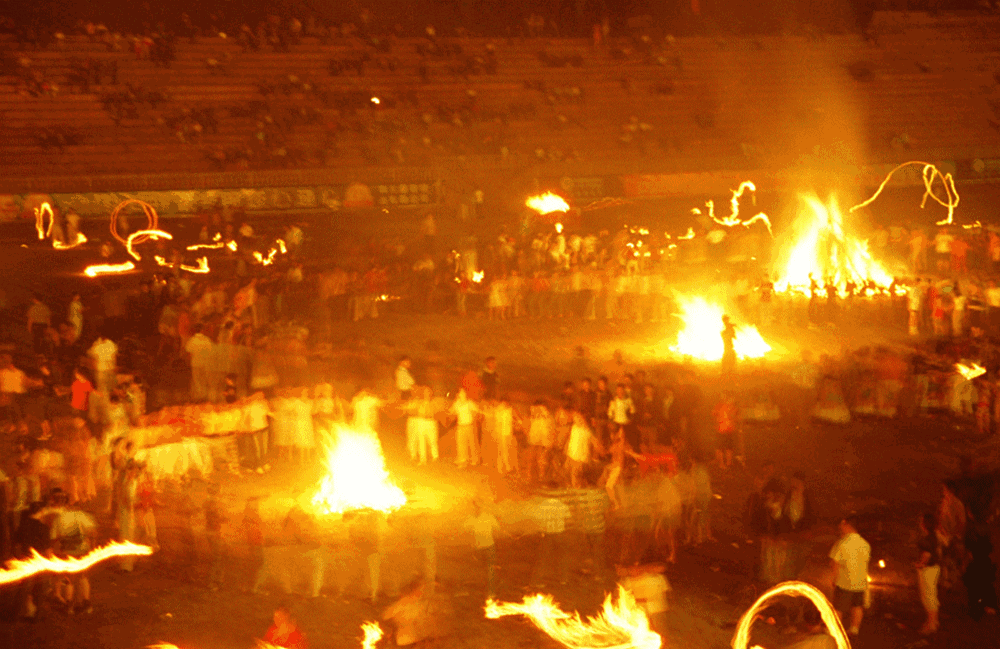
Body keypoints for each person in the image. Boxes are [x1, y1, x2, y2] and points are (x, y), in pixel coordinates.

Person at [49, 489, 97, 614]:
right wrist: (92, 545)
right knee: (82, 576)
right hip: (82, 549)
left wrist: (56, 551)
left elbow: (54, 537)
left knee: (68, 578)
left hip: (68, 550)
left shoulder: (59, 518)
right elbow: (92, 531)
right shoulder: (80, 515)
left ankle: (70, 605)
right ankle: (86, 603)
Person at [829, 516, 870, 636]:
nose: (840, 526)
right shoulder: (865, 544)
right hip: (860, 582)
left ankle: (835, 631)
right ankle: (854, 629)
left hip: (844, 582)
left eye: (842, 524)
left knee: (838, 607)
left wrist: (834, 579)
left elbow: (834, 564)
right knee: (857, 606)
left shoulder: (842, 543)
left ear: (847, 525)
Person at [14, 501, 50, 619]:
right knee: (40, 587)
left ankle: (18, 613)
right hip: (40, 562)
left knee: (25, 588)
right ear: (41, 512)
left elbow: (17, 545)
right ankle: (37, 613)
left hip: (26, 559)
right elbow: (47, 548)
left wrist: (18, 558)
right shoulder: (44, 528)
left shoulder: (22, 526)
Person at [464, 501, 501, 597]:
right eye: (475, 507)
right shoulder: (471, 518)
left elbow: (497, 528)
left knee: (489, 570)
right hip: (480, 548)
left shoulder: (487, 516)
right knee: (482, 570)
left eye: (477, 507)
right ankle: (483, 592)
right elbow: (465, 529)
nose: (476, 508)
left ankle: (490, 592)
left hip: (488, 547)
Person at [915, 511, 940, 634]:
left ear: (925, 524)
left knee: (928, 596)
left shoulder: (927, 539)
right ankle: (933, 621)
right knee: (931, 595)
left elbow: (927, 554)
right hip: (934, 569)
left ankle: (931, 624)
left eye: (921, 521)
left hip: (928, 570)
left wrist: (920, 564)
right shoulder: (934, 536)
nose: (920, 523)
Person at [205, 482, 227, 590]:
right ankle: (212, 582)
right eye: (217, 489)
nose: (219, 491)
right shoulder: (211, 502)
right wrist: (222, 518)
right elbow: (213, 518)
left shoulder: (213, 502)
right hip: (213, 532)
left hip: (216, 532)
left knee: (220, 557)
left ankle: (218, 581)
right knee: (216, 558)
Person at [450, 389, 480, 468]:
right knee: (460, 444)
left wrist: (473, 419)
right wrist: (454, 403)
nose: (461, 394)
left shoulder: (469, 403)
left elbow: (476, 411)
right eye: (460, 392)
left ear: (466, 394)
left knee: (471, 443)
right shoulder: (457, 403)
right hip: (460, 426)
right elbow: (451, 411)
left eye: (463, 392)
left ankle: (475, 459)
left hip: (469, 425)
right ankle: (462, 460)